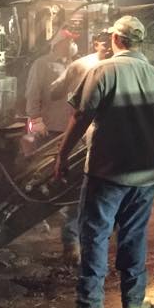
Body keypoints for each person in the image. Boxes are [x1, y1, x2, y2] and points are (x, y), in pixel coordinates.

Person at [53, 15, 154, 308]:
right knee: (133, 238)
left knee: (95, 238)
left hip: (105, 174)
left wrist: (61, 156)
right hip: (144, 177)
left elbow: (81, 116)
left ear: (116, 39)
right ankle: (134, 305)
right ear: (139, 42)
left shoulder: (103, 71)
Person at [49, 30, 113, 263]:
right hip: (85, 135)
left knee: (102, 191)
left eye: (110, 40)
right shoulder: (81, 66)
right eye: (102, 41)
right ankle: (72, 244)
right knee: (78, 190)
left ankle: (93, 241)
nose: (106, 45)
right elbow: (55, 91)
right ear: (96, 43)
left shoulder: (107, 66)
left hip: (103, 137)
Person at [25, 29, 76, 139]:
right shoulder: (42, 64)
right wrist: (36, 120)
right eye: (69, 41)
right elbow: (33, 92)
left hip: (69, 126)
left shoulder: (72, 64)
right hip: (49, 127)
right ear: (58, 43)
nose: (72, 45)